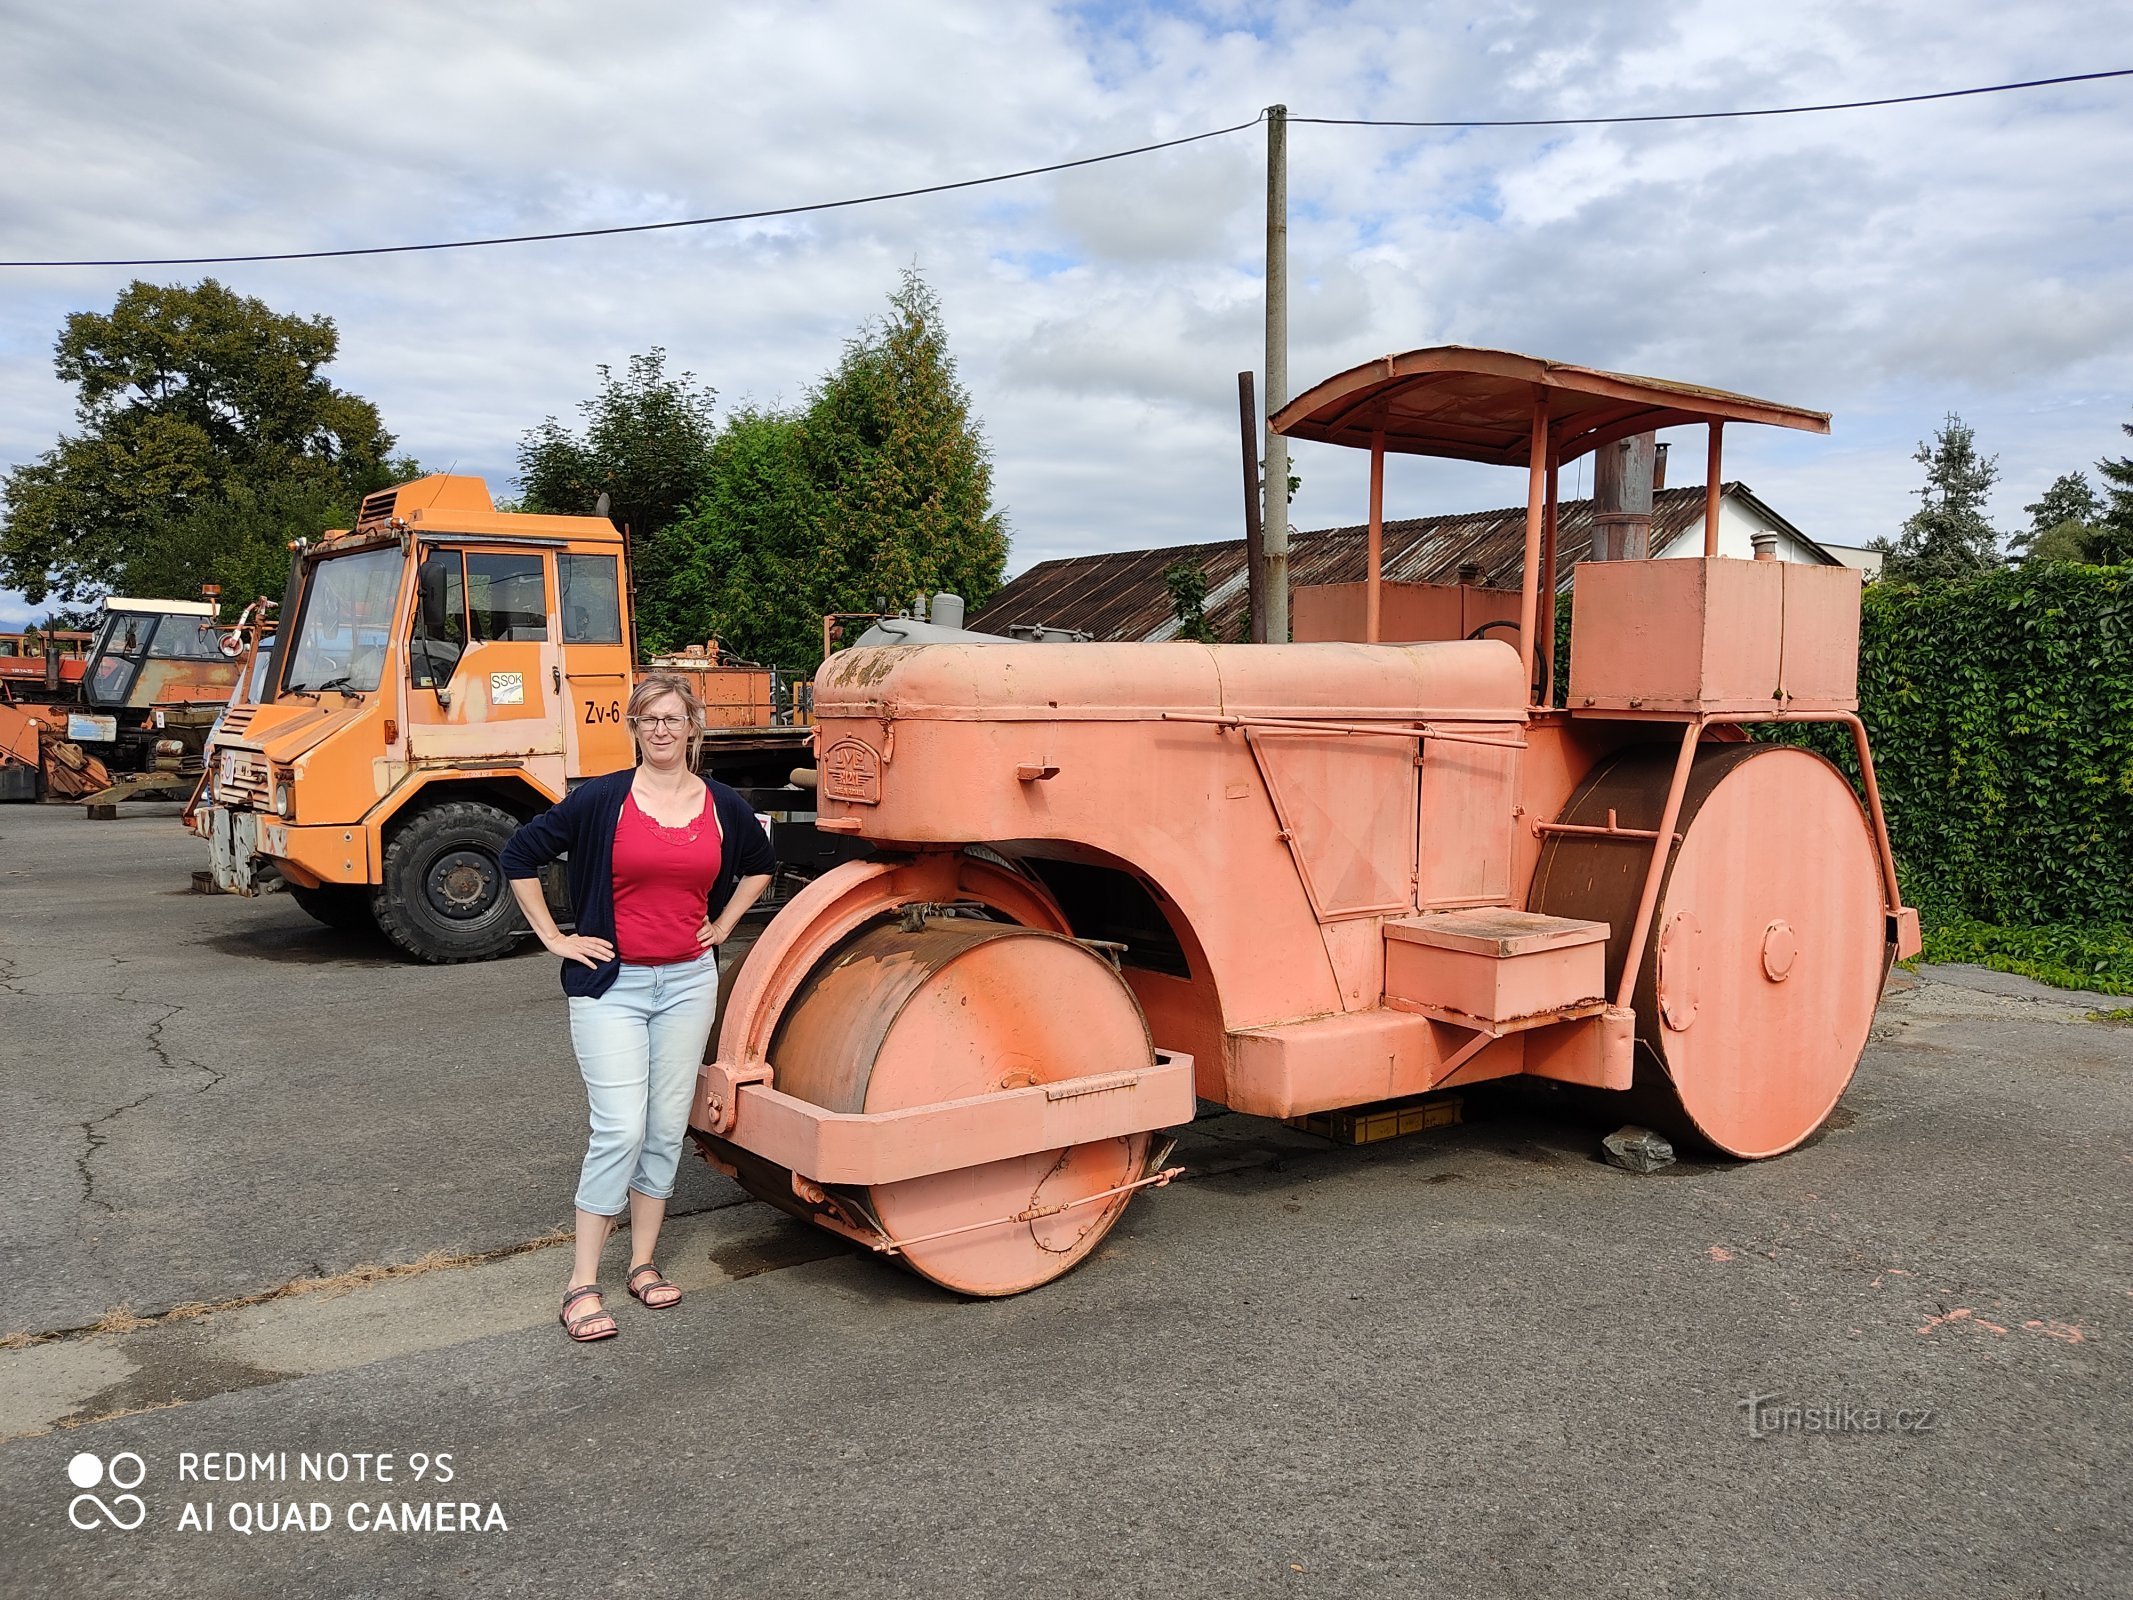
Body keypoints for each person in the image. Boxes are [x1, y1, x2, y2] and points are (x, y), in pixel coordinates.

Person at [502, 673, 776, 1343]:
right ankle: (580, 1283)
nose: (660, 729)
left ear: (692, 729)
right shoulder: (602, 800)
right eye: (648, 718)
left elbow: (761, 864)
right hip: (613, 988)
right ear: (634, 728)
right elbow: (519, 853)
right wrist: (554, 936)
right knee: (620, 1128)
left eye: (672, 718)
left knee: (661, 1129)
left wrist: (725, 924)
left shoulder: (719, 804)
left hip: (687, 983)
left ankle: (644, 1263)